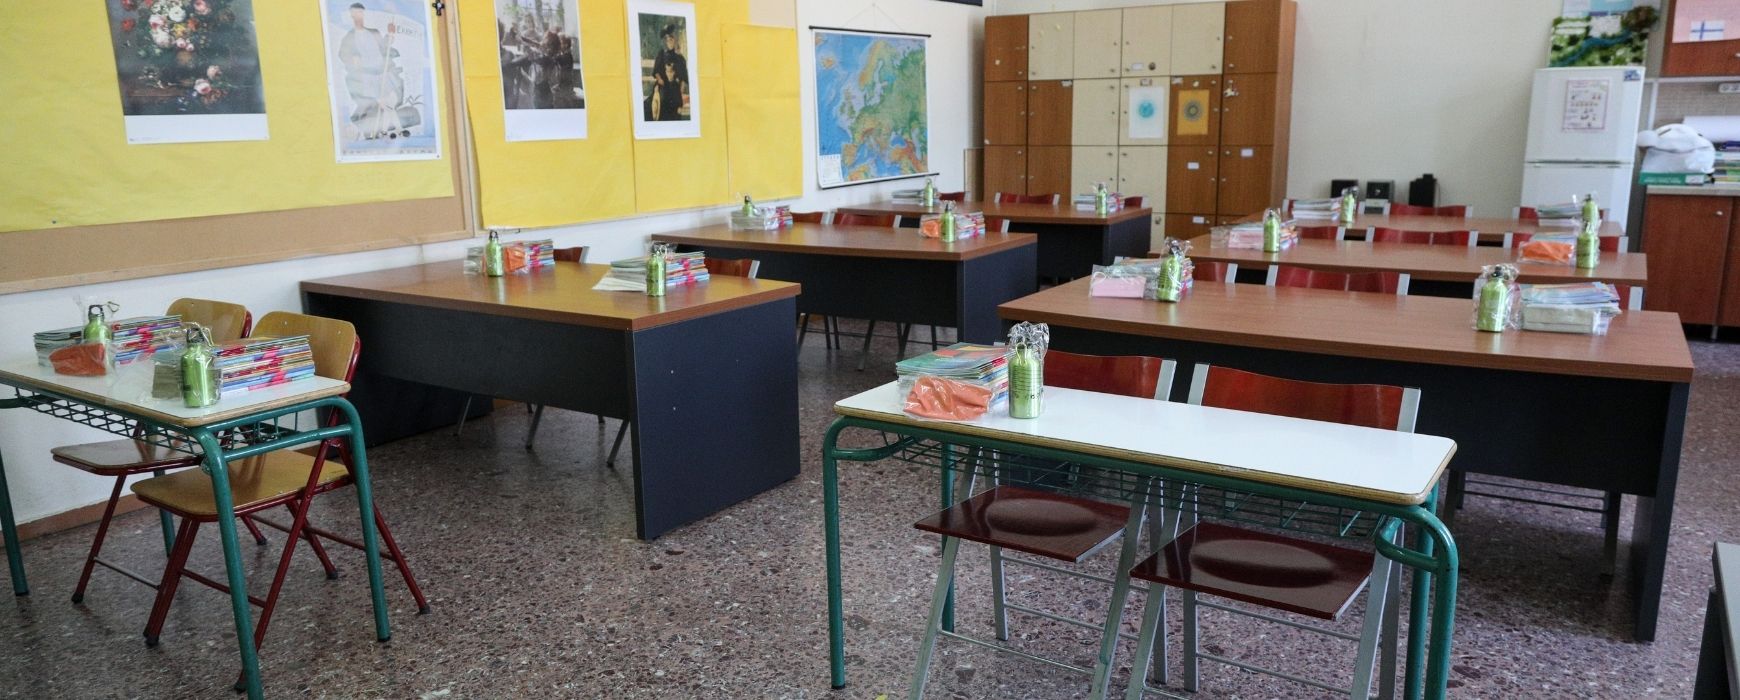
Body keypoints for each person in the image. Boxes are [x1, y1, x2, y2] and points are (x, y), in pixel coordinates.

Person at [337, 2, 407, 139]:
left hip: (382, 73)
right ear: (351, 15)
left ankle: (389, 131)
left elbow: (384, 46)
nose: (359, 16)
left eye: (360, 13)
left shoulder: (374, 32)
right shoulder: (349, 37)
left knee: (389, 104)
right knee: (377, 105)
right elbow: (343, 54)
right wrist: (352, 59)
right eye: (355, 13)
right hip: (367, 77)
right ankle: (383, 131)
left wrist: (390, 34)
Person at [649, 22, 687, 121]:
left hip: (675, 87)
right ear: (665, 41)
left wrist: (681, 91)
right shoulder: (661, 54)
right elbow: (656, 72)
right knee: (662, 99)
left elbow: (683, 78)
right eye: (667, 40)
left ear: (675, 40)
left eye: (671, 39)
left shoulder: (680, 58)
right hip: (663, 84)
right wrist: (660, 80)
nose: (669, 42)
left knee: (675, 103)